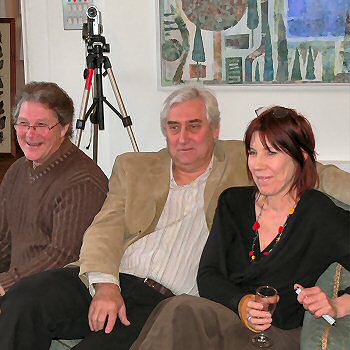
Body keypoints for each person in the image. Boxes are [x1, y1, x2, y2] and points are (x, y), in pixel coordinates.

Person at [0, 87, 349, 350]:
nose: (182, 138)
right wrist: (105, 284)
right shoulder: (134, 167)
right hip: (109, 279)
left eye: (194, 126)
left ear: (214, 130)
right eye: (173, 127)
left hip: (163, 299)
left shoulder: (241, 167)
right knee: (24, 299)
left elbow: (311, 169)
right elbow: (103, 229)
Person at [130, 106, 350, 350]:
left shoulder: (318, 213)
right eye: (253, 152)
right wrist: (242, 303)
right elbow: (208, 275)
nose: (258, 165)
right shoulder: (233, 203)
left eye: (271, 153)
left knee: (179, 310)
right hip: (228, 322)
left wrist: (338, 305)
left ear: (301, 156)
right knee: (177, 309)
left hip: (276, 336)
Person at [0, 81, 108, 293]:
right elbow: (4, 239)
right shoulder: (17, 171)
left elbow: (63, 256)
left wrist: (5, 284)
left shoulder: (82, 182)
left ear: (64, 128)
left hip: (50, 296)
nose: (30, 134)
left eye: (41, 125)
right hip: (16, 288)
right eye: (23, 123)